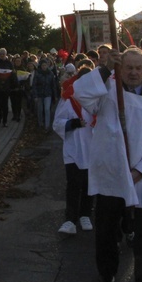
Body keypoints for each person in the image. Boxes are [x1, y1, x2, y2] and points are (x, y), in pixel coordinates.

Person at [73, 47, 142, 282]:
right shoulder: (107, 91)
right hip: (112, 173)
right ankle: (107, 272)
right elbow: (80, 92)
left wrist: (141, 171)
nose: (133, 72)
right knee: (107, 228)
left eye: (138, 68)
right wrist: (105, 68)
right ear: (121, 68)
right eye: (127, 67)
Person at [53, 64, 95, 235]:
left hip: (92, 148)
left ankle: (85, 214)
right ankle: (70, 219)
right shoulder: (68, 99)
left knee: (88, 185)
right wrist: (74, 123)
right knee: (73, 184)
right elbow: (57, 123)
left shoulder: (98, 99)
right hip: (74, 148)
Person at [32, 57, 56, 132]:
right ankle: (40, 123)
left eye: (45, 65)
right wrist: (35, 95)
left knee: (47, 109)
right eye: (43, 65)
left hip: (48, 94)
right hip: (39, 94)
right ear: (40, 66)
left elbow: (53, 85)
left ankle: (47, 125)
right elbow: (34, 85)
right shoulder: (37, 73)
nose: (44, 67)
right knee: (40, 109)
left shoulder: (50, 73)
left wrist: (55, 96)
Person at [9, 55, 25, 122]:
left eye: (19, 61)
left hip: (20, 89)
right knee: (13, 103)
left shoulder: (23, 69)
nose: (18, 62)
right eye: (16, 61)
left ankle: (18, 115)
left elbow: (25, 79)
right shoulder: (12, 69)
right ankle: (14, 115)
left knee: (19, 103)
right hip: (12, 88)